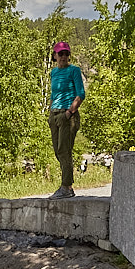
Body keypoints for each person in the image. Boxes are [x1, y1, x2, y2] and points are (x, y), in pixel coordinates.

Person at [48, 41, 85, 199]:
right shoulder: (53, 73)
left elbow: (80, 94)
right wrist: (50, 114)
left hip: (67, 115)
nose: (64, 57)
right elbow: (53, 94)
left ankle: (67, 187)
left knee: (64, 150)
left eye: (66, 54)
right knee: (58, 151)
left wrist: (69, 113)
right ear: (55, 56)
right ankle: (66, 186)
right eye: (60, 53)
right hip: (54, 114)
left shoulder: (74, 71)